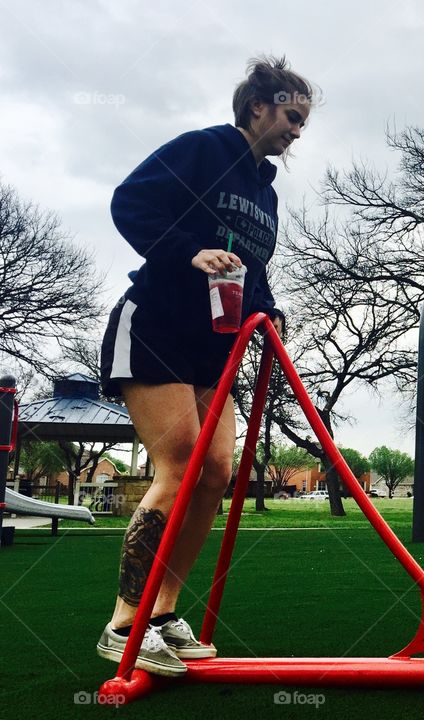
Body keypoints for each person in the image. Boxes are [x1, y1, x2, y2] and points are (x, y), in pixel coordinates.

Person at [96, 56, 314, 675]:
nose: (297, 131)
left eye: (303, 123)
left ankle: (162, 615)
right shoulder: (203, 150)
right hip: (157, 326)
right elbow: (129, 203)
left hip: (213, 349)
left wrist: (270, 317)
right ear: (258, 108)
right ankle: (123, 623)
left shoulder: (265, 192)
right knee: (181, 460)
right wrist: (190, 251)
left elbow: (254, 271)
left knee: (216, 472)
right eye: (292, 117)